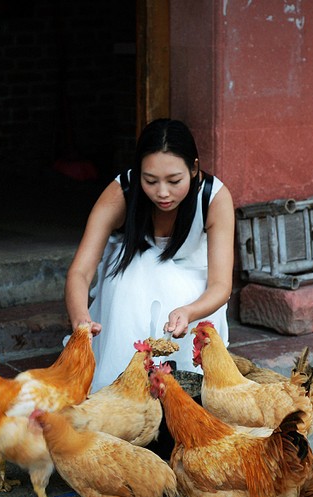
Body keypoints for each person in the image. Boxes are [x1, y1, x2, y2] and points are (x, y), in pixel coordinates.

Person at [65, 118, 235, 392]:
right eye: (150, 180)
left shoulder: (213, 197)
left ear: (194, 168)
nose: (162, 193)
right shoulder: (122, 191)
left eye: (174, 180)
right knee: (123, 287)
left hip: (192, 286)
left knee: (180, 292)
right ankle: (121, 387)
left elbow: (221, 285)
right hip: (131, 274)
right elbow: (80, 272)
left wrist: (189, 311)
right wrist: (80, 319)